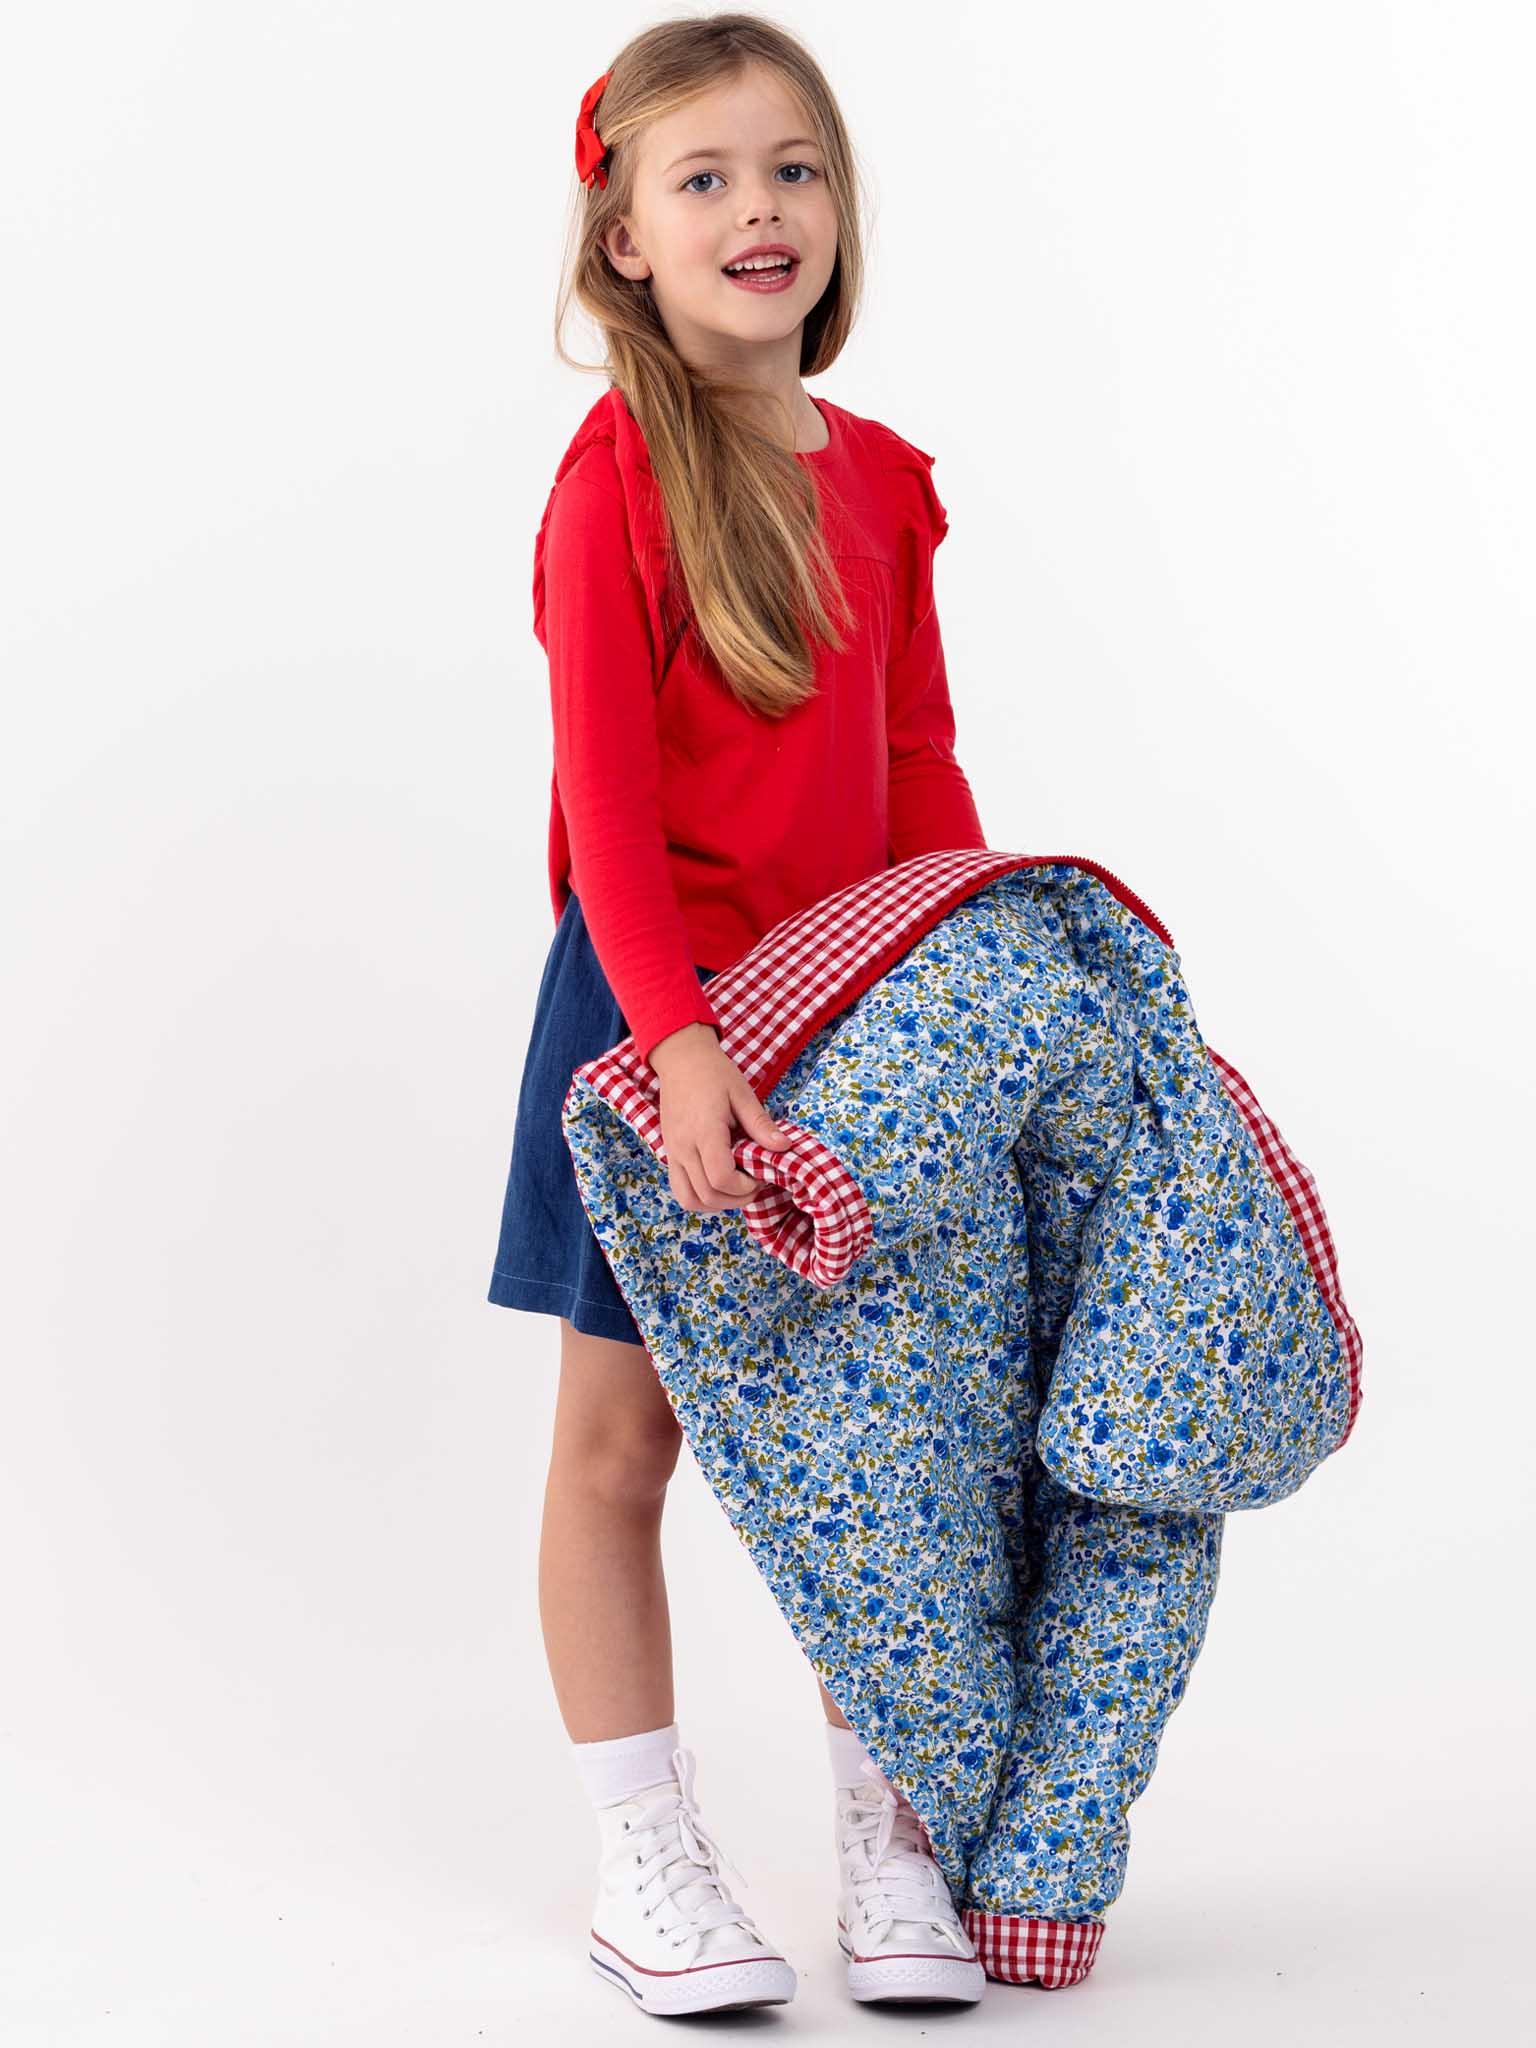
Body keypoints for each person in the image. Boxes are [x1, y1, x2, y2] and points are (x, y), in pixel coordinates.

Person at [486, 15, 990, 2015]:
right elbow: (605, 805)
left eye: (792, 168)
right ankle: (649, 1853)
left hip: (857, 1014)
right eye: (702, 179)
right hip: (647, 1027)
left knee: (885, 1436)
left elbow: (923, 767)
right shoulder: (613, 482)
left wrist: (967, 983)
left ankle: (891, 1834)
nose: (756, 209)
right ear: (622, 236)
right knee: (626, 1446)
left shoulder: (883, 481)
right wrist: (683, 1043)